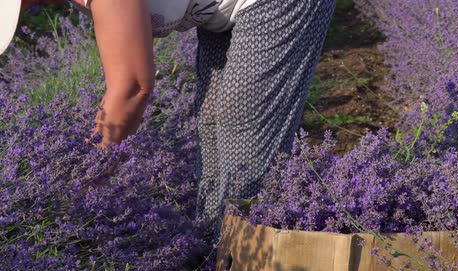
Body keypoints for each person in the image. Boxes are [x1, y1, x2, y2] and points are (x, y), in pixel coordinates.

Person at [4, 0, 338, 238]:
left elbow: (132, 88)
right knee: (210, 122)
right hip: (221, 11)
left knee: (244, 122)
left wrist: (83, 186)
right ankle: (214, 254)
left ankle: (252, 268)